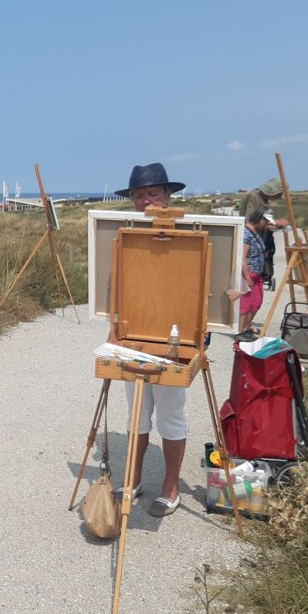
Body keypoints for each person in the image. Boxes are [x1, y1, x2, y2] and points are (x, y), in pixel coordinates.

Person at [112, 163, 188, 518]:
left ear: (168, 195)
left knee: (170, 416)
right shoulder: (125, 233)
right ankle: (134, 479)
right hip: (135, 337)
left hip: (176, 337)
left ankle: (171, 487)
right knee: (137, 416)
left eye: (152, 193)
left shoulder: (190, 230)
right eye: (139, 194)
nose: (145, 200)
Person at [238, 208, 268, 332]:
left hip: (257, 274)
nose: (266, 224)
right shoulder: (247, 234)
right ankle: (241, 330)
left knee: (256, 303)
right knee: (246, 304)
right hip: (249, 274)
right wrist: (247, 276)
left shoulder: (255, 233)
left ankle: (246, 326)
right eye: (265, 220)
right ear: (258, 220)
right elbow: (242, 257)